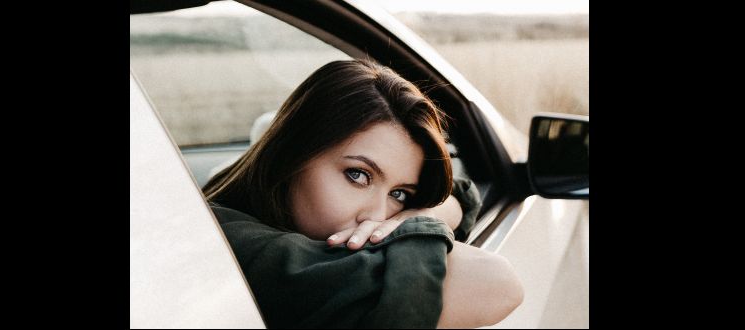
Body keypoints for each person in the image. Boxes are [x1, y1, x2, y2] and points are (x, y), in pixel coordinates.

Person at [203, 59, 523, 328]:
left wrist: (421, 214)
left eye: (399, 194)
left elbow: (458, 194)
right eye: (358, 175)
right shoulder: (245, 253)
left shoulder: (221, 205)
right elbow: (499, 283)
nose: (377, 216)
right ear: (291, 157)